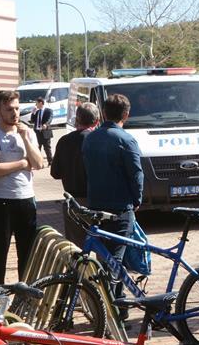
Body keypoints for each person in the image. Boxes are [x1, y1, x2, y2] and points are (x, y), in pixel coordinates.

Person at [83, 94, 143, 305]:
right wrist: (137, 198)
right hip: (120, 207)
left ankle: (117, 303)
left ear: (104, 113)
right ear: (126, 115)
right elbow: (136, 174)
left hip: (96, 206)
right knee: (116, 260)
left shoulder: (90, 138)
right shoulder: (126, 140)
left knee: (105, 259)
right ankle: (114, 307)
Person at [0, 90, 44, 284]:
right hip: (2, 201)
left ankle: (24, 296)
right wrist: (22, 164)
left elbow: (39, 163)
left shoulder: (28, 132)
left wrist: (25, 138)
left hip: (26, 199)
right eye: (9, 109)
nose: (14, 113)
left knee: (27, 253)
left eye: (17, 108)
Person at [51, 102, 100, 246]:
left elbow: (55, 173)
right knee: (102, 247)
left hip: (72, 202)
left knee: (75, 249)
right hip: (97, 200)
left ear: (76, 120)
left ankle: (77, 269)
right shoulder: (98, 140)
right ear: (97, 121)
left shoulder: (64, 141)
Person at [30, 97, 54, 164]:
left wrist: (46, 124)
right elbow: (32, 121)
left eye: (36, 103)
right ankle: (38, 162)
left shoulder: (48, 111)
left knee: (47, 147)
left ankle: (50, 162)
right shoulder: (37, 111)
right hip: (37, 132)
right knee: (37, 147)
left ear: (40, 103)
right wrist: (33, 113)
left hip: (45, 131)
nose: (36, 105)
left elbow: (50, 119)